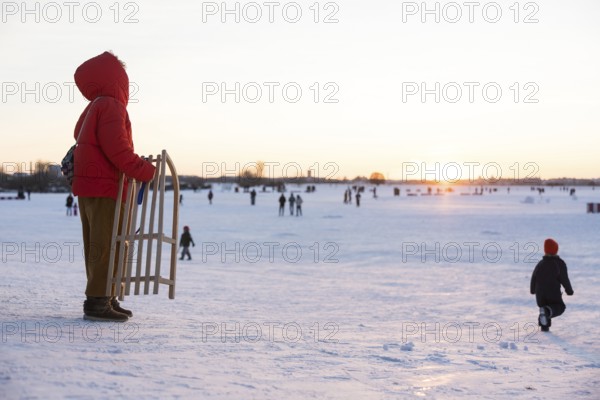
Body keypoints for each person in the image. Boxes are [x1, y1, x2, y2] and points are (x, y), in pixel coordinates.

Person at [73, 51, 156, 322]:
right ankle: (98, 302)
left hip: (90, 189)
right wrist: (145, 170)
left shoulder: (94, 106)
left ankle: (105, 296)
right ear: (117, 81)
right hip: (107, 188)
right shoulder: (111, 106)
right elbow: (117, 149)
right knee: (109, 244)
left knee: (98, 244)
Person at [530, 238, 574, 332]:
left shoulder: (540, 264)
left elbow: (534, 277)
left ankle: (544, 327)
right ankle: (546, 312)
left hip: (540, 295)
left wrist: (533, 290)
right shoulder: (559, 263)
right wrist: (569, 291)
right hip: (553, 293)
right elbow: (564, 279)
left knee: (544, 308)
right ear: (555, 250)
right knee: (559, 307)